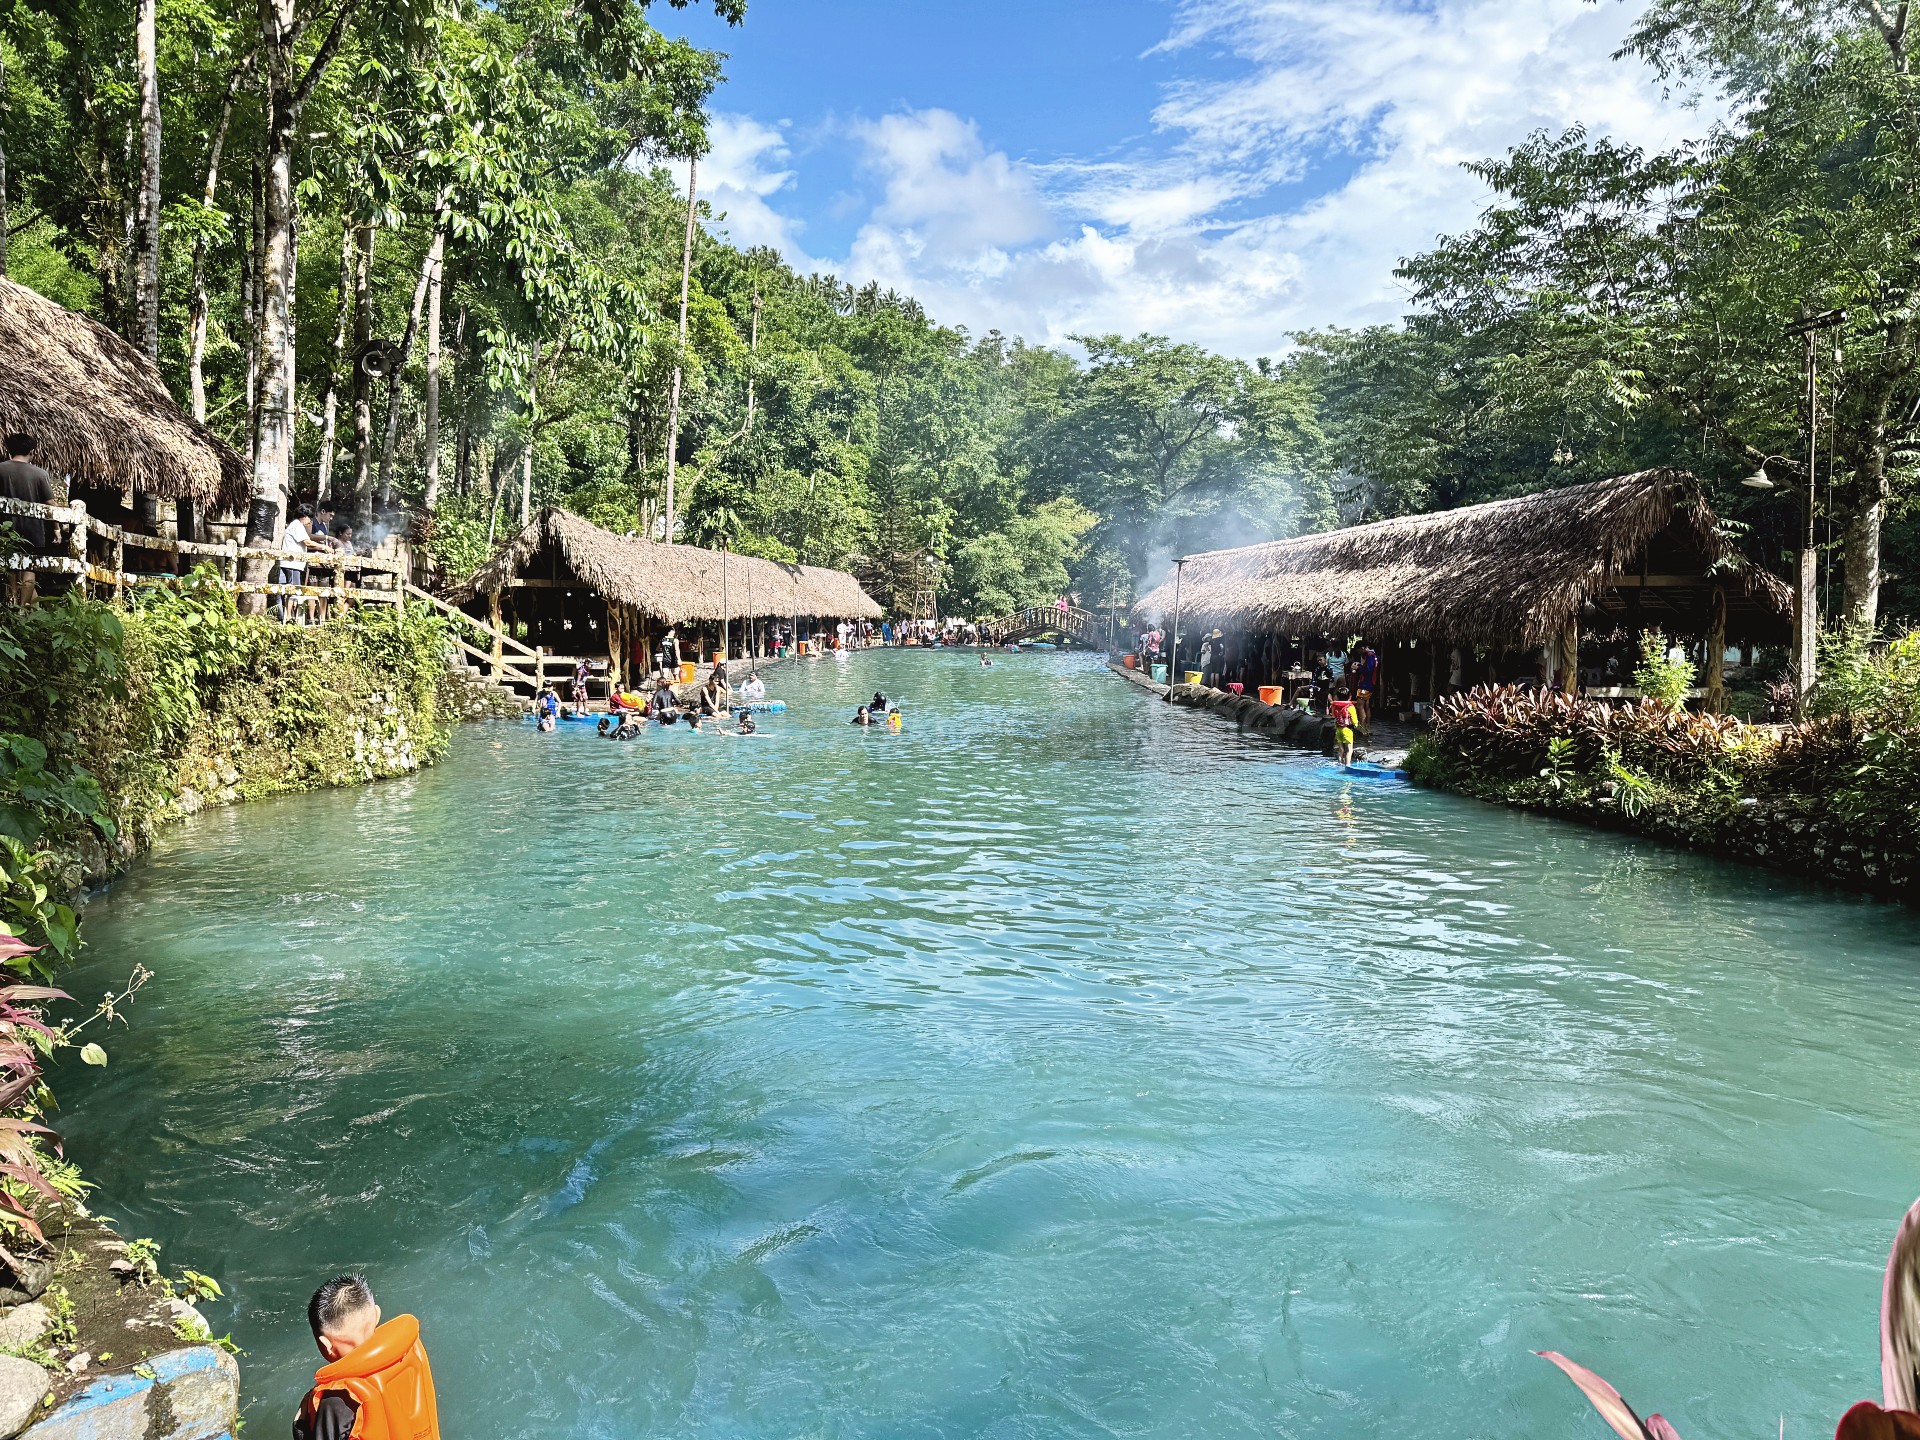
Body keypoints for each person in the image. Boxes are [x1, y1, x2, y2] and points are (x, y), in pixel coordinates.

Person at [295, 1274, 439, 1440]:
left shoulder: (337, 1399)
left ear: (326, 1345)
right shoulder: (410, 1347)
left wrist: (300, 1428)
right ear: (377, 1314)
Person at [277, 503, 327, 623]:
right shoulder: (297, 526)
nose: (310, 522)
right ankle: (289, 617)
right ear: (304, 516)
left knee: (291, 589)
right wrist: (324, 547)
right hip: (292, 563)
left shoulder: (296, 526)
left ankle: (290, 615)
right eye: (309, 519)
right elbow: (307, 542)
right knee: (294, 590)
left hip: (291, 563)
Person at [1329, 685, 1359, 767]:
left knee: (1341, 749)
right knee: (1349, 750)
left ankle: (1340, 764)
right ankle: (1347, 766)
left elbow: (1334, 716)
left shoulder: (1335, 705)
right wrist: (1356, 725)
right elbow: (1354, 720)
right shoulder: (1350, 707)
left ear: (1337, 697)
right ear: (1350, 697)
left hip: (1338, 729)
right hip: (1347, 730)